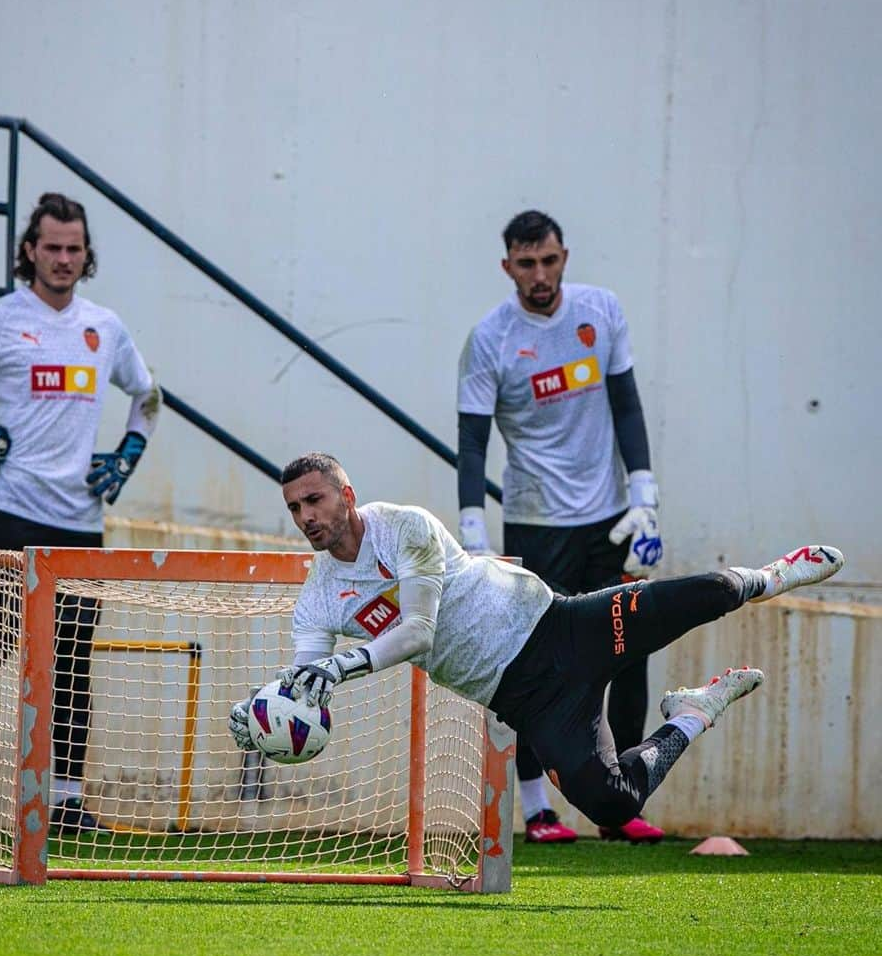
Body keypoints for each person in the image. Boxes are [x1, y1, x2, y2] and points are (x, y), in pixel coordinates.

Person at [228, 453, 843, 840]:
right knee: (610, 804)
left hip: (559, 629)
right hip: (526, 699)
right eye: (294, 508)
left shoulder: (403, 526)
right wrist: (265, 712)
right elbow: (305, 678)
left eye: (315, 499)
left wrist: (344, 663)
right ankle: (694, 712)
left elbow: (417, 630)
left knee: (701, 593)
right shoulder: (317, 599)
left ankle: (776, 574)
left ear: (347, 495)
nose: (305, 515)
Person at [0, 192, 159, 835]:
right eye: (52, 247)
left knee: (72, 657)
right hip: (11, 513)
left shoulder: (106, 327)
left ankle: (66, 801)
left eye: (74, 249)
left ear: (86, 254)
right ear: (29, 251)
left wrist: (125, 456)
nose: (64, 259)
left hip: (80, 520)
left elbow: (148, 398)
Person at [457, 208, 664, 844]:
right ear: (507, 267)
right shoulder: (490, 338)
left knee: (630, 651)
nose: (539, 275)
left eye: (549, 261)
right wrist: (474, 533)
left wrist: (645, 494)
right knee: (529, 666)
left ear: (564, 258)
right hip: (534, 522)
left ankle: (623, 801)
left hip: (609, 520)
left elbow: (625, 403)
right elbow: (471, 441)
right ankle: (535, 806)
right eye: (526, 264)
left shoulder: (600, 311)